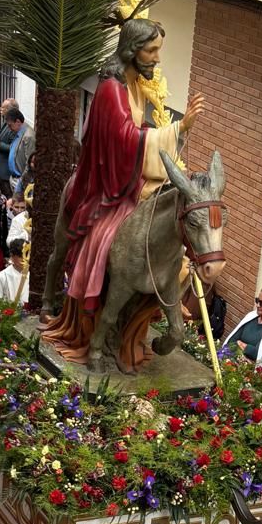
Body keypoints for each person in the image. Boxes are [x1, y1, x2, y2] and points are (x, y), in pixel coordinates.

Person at [46, 17, 202, 330]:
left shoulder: (135, 86)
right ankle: (53, 294)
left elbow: (137, 129)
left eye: (158, 50)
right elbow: (124, 137)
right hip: (105, 182)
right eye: (151, 50)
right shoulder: (111, 89)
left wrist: (164, 134)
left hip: (129, 173)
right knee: (95, 239)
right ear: (132, 50)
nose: (157, 58)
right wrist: (177, 129)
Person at [221, 286, 262, 372]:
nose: (257, 305)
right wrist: (243, 348)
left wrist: (242, 344)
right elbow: (232, 341)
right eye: (257, 301)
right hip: (232, 363)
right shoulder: (251, 316)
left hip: (251, 372)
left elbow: (259, 353)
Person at [0, 235, 29, 305]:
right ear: (12, 256)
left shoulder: (32, 274)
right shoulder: (2, 277)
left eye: (26, 255)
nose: (24, 259)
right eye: (20, 256)